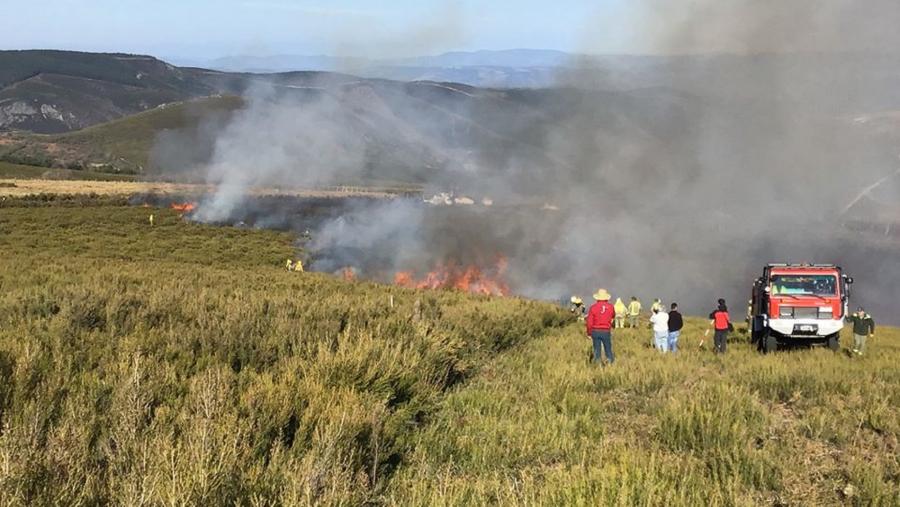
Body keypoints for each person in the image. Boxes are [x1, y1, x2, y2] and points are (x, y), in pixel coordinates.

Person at [586, 289, 615, 365]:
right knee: (608, 349)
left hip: (595, 331)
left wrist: (589, 333)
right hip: (606, 331)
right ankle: (610, 364)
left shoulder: (593, 307)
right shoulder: (611, 307)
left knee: (597, 350)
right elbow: (613, 316)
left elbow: (589, 322)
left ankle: (597, 365)